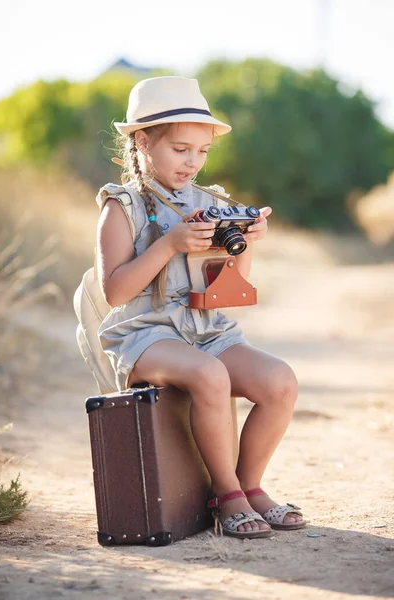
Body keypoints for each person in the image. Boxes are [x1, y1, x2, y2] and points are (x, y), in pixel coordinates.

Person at [96, 76, 306, 539]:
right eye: (180, 149)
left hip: (207, 329)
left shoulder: (211, 202)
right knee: (212, 375)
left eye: (202, 152)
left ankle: (250, 486)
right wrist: (169, 244)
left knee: (280, 382)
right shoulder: (123, 206)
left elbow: (234, 289)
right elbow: (115, 292)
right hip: (146, 334)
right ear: (143, 140)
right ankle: (225, 493)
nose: (192, 162)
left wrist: (245, 241)